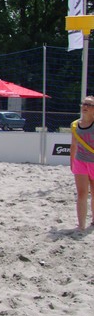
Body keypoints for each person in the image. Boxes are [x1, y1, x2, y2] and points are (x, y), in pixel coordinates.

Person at [70, 96, 94, 231]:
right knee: (81, 193)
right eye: (84, 104)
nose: (85, 106)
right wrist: (71, 162)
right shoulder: (75, 125)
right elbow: (73, 144)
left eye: (89, 105)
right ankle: (81, 225)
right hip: (80, 161)